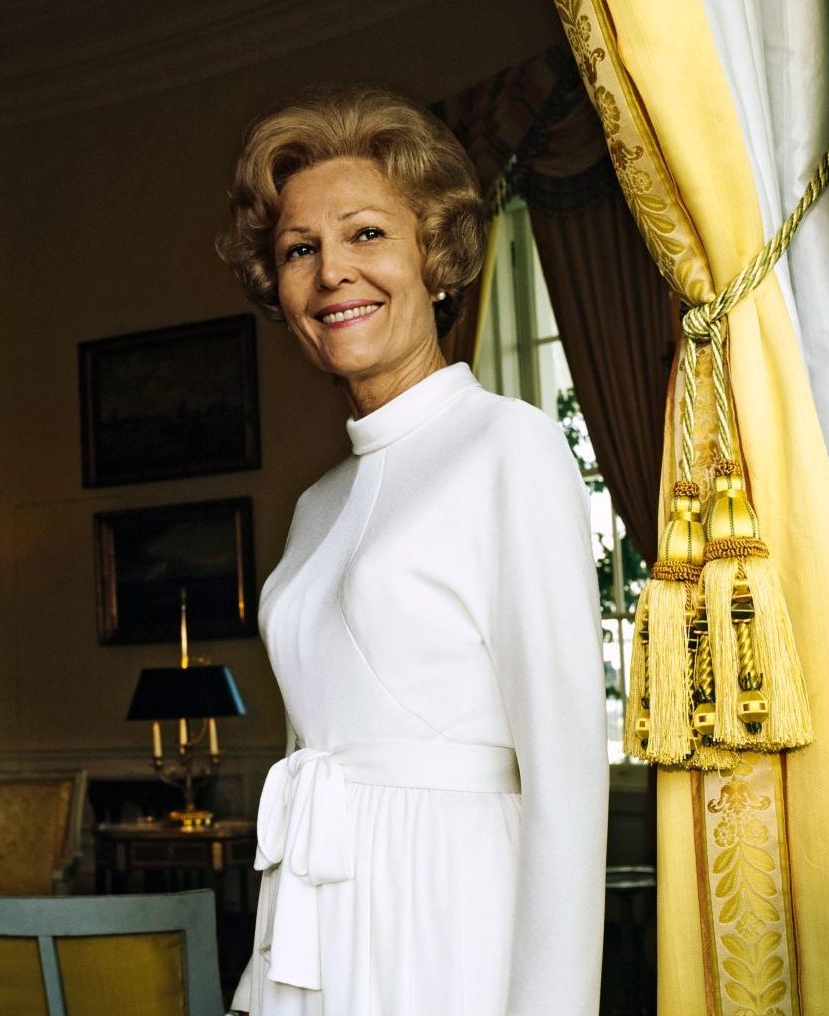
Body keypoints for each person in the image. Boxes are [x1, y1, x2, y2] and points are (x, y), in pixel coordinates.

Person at [218, 85, 608, 1016]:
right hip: (316, 939)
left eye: (365, 235)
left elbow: (565, 779)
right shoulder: (317, 505)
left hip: (448, 923)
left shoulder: (507, 446)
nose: (332, 273)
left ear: (434, 257)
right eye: (300, 251)